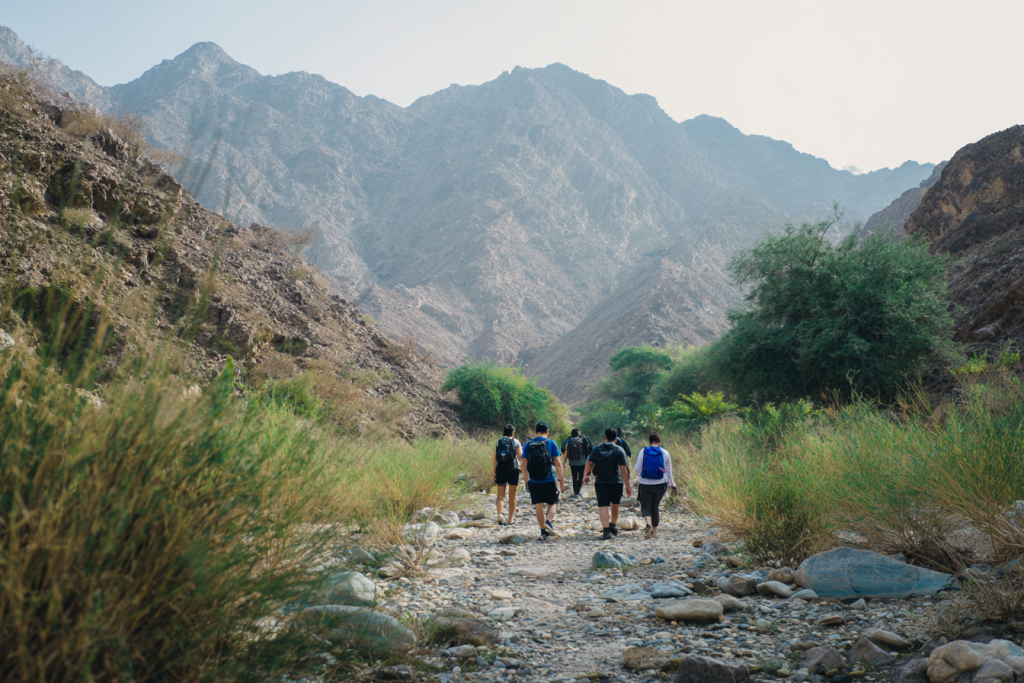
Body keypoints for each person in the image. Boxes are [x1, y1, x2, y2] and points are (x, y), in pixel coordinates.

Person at [584, 428, 632, 541]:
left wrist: (585, 475)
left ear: (605, 437)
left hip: (601, 482)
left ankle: (606, 531)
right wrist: (627, 486)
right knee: (615, 504)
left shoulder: (597, 449)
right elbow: (623, 470)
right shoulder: (620, 449)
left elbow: (589, 463)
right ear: (616, 439)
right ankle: (613, 525)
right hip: (616, 481)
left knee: (603, 506)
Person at [520, 422, 566, 541]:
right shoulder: (550, 443)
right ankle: (548, 521)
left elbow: (523, 464)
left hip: (534, 480)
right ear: (547, 431)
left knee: (538, 505)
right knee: (553, 502)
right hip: (549, 478)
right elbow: (558, 464)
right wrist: (561, 480)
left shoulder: (528, 444)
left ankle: (542, 533)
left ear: (536, 432)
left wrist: (527, 481)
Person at [634, 432, 677, 539]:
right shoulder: (665, 452)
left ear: (649, 441)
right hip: (660, 484)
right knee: (655, 507)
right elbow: (669, 471)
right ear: (659, 441)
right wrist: (673, 484)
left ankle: (648, 524)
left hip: (644, 483)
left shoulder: (643, 451)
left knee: (646, 506)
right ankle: (654, 530)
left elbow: (637, 469)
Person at [494, 424, 523, 526]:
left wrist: (494, 472)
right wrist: (523, 469)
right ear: (512, 432)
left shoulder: (499, 441)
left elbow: (495, 458)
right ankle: (510, 519)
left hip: (501, 469)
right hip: (513, 470)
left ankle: (500, 514)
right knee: (512, 496)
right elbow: (520, 457)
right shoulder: (515, 442)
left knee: (500, 496)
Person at [561, 428, 592, 498]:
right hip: (582, 461)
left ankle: (575, 492)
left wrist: (564, 461)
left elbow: (563, 449)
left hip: (572, 462)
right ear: (578, 433)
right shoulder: (583, 439)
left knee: (574, 477)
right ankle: (578, 491)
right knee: (581, 477)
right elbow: (589, 449)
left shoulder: (569, 440)